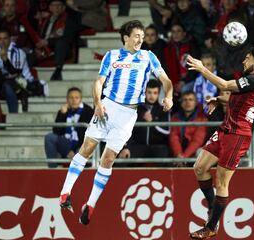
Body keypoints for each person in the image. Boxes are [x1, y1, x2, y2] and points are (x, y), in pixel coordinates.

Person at [58, 20, 173, 225]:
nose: (140, 40)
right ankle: (65, 193)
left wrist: (169, 96)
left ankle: (90, 204)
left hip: (128, 115)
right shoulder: (111, 56)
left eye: (142, 36)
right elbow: (99, 82)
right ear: (126, 38)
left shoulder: (148, 57)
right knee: (87, 148)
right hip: (108, 107)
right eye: (136, 36)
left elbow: (166, 81)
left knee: (109, 158)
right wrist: (97, 103)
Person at [186, 47, 254, 239]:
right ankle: (212, 208)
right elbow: (237, 96)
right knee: (199, 168)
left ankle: (211, 226)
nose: (243, 62)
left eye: (247, 59)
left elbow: (225, 84)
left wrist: (202, 69)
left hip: (238, 134)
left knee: (221, 181)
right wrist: (220, 100)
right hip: (226, 129)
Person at [118, 79, 171, 165]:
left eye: (155, 93)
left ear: (159, 94)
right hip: (138, 145)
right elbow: (127, 130)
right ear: (144, 93)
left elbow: (167, 131)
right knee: (123, 158)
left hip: (157, 146)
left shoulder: (163, 110)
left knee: (164, 155)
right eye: (149, 92)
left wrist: (152, 123)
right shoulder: (136, 109)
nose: (152, 96)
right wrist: (126, 147)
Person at [44, 87, 93, 168]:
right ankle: (52, 168)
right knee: (49, 137)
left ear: (81, 99)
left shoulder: (88, 111)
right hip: (66, 144)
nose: (74, 100)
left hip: (81, 145)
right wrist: (63, 114)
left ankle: (74, 158)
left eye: (76, 98)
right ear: (67, 99)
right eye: (71, 98)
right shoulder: (63, 110)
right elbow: (56, 131)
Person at [0, 29, 37, 113]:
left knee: (7, 86)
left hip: (22, 81)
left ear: (10, 39)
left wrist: (5, 60)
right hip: (3, 81)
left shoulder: (18, 52)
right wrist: (5, 77)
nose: (2, 41)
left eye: (5, 38)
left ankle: (13, 115)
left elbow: (15, 73)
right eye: (0, 39)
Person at [169, 91, 207, 166]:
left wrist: (184, 157)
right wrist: (179, 154)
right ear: (181, 103)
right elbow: (174, 138)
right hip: (179, 153)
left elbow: (197, 141)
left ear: (196, 103)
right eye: (185, 100)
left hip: (193, 152)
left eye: (190, 100)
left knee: (200, 153)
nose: (188, 102)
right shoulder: (175, 117)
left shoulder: (202, 119)